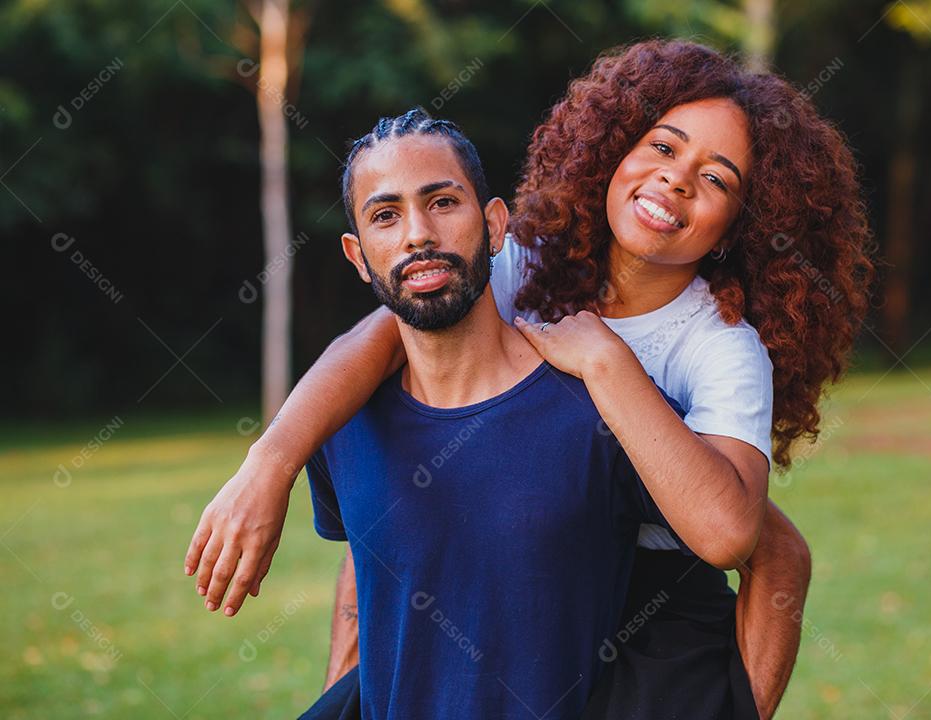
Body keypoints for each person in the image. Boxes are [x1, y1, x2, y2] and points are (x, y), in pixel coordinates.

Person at [187, 39, 874, 719]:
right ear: (615, 152)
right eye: (663, 147)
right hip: (513, 569)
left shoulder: (719, 349)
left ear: (734, 228)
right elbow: (384, 337)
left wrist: (604, 359)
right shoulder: (522, 263)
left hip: (647, 604)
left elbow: (749, 541)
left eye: (717, 177)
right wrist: (270, 462)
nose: (676, 179)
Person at [292, 108, 748, 720]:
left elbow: (751, 538)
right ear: (357, 255)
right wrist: (268, 464)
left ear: (496, 224)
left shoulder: (606, 417)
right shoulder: (343, 423)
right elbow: (374, 569)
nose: (417, 234)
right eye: (385, 215)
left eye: (443, 203)